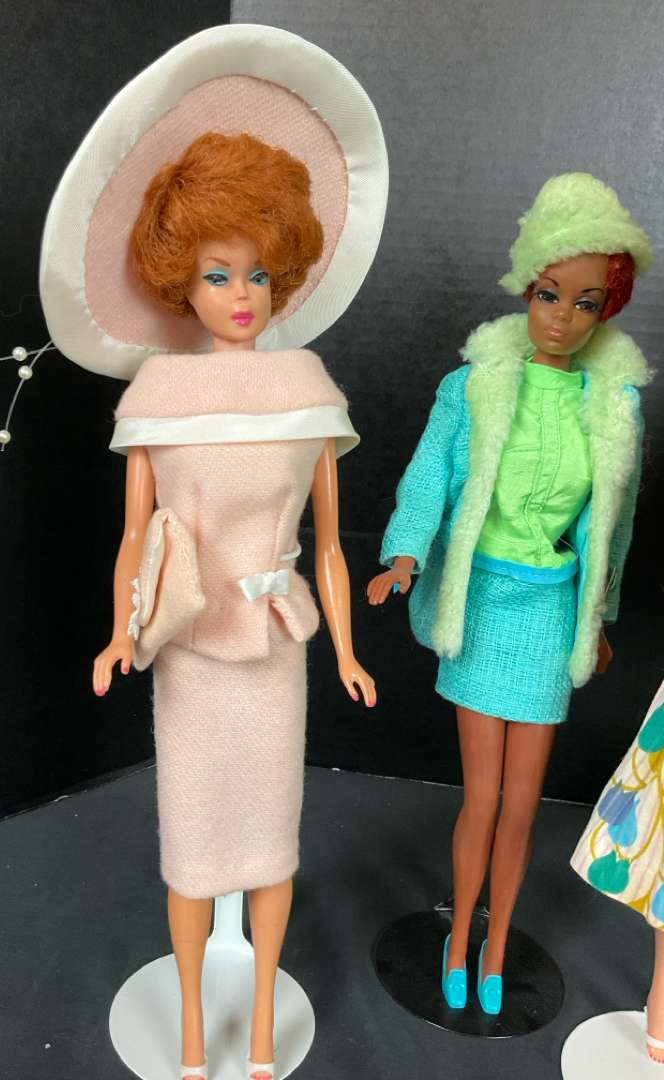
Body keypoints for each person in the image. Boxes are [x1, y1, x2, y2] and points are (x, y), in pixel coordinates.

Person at [39, 26, 388, 1080]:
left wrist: (346, 650)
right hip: (191, 651)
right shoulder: (158, 396)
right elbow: (135, 536)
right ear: (176, 279)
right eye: (216, 273)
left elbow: (331, 543)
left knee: (272, 844)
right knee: (192, 850)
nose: (241, 294)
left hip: (274, 649)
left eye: (259, 272)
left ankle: (260, 1028)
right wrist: (119, 633)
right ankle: (194, 1027)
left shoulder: (307, 387)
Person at [368, 172, 652, 1016]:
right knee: (482, 799)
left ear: (605, 311)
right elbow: (428, 476)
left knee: (522, 807)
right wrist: (405, 555)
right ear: (527, 288)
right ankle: (458, 938)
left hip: (550, 612)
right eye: (548, 294)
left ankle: (497, 951)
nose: (561, 318)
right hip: (482, 604)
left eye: (585, 303)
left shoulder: (613, 409)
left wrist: (599, 619)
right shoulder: (474, 387)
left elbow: (615, 528)